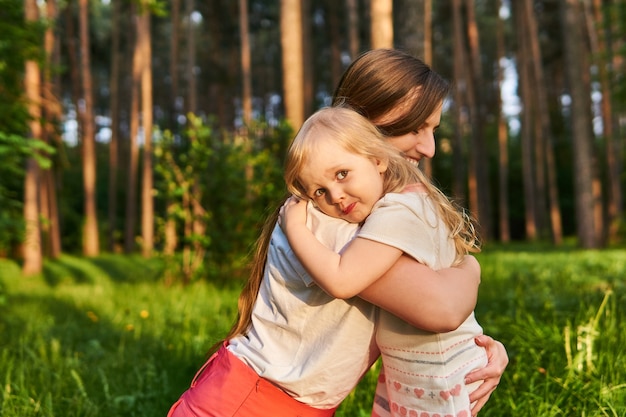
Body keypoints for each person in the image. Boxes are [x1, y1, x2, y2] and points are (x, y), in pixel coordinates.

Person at [167, 49, 506, 417]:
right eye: (412, 128)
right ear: (360, 129)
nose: (429, 148)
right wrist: (471, 269)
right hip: (249, 404)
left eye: (433, 129)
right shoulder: (329, 223)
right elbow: (441, 307)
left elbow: (430, 305)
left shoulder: (360, 214)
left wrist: (482, 349)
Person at [282, 106, 487, 417]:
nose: (336, 196)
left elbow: (341, 279)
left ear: (378, 159)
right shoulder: (404, 203)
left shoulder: (397, 212)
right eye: (320, 191)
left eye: (342, 174)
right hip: (412, 370)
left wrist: (295, 226)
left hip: (435, 380)